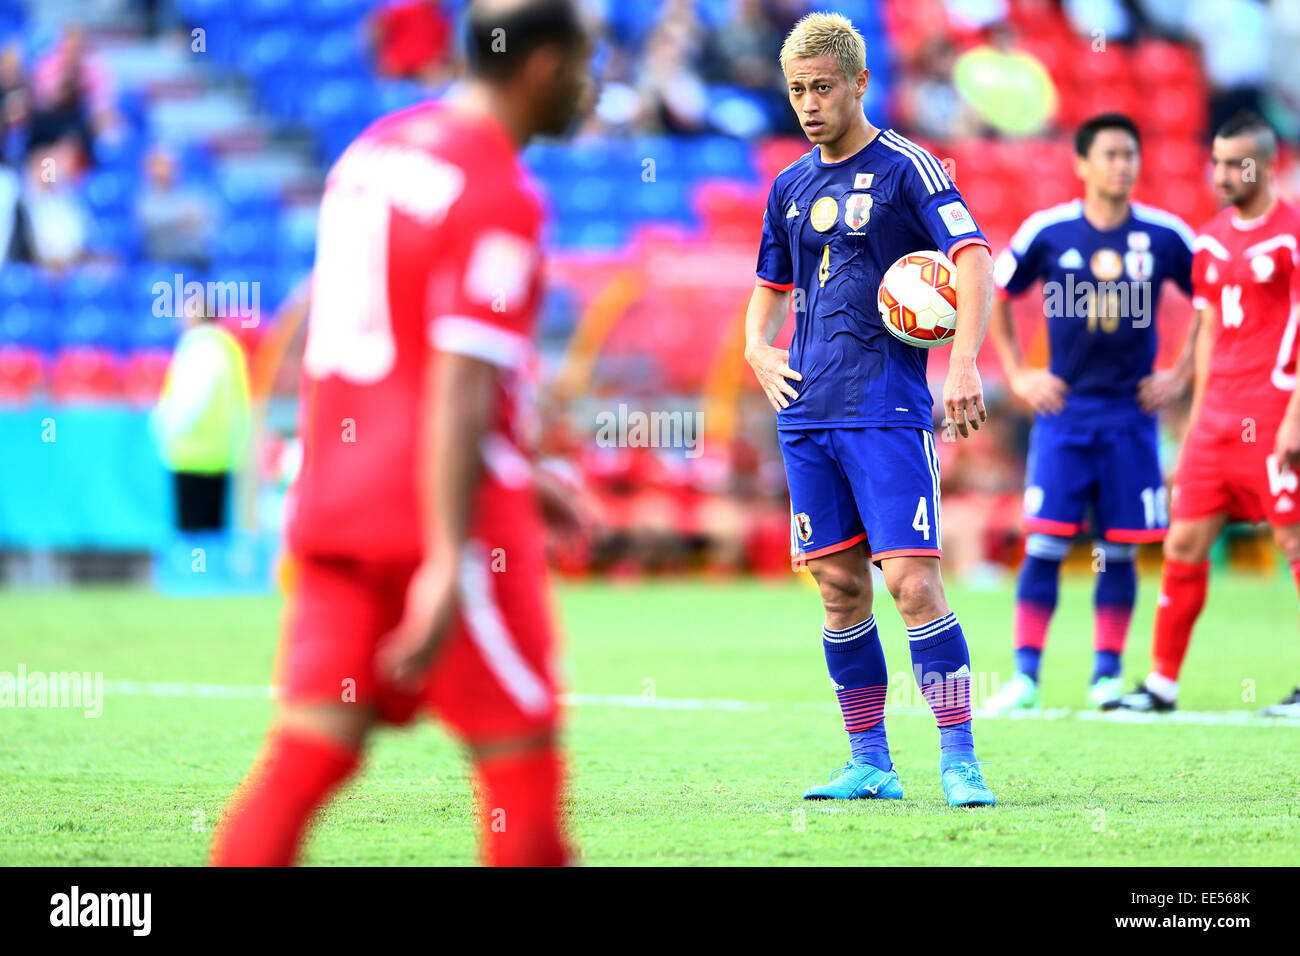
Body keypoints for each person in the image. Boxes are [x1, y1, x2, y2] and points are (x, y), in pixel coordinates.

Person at [210, 0, 593, 867]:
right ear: (542, 67)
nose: (590, 84)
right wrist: (445, 551)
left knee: (307, 757)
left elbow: (389, 359)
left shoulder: (370, 157)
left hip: (338, 503)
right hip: (442, 517)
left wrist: (518, 470)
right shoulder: (497, 191)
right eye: (583, 64)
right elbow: (458, 382)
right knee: (521, 769)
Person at [744, 12, 997, 807]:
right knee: (838, 588)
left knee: (913, 584)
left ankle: (959, 759)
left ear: (859, 82)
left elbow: (974, 256)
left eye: (823, 87)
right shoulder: (788, 187)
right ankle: (870, 762)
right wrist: (757, 347)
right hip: (807, 412)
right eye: (797, 91)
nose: (810, 104)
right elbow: (767, 288)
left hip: (885, 408)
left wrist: (962, 361)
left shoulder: (908, 169)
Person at [984, 113, 1197, 713]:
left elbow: (1213, 293)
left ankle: (1106, 674)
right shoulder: (1047, 233)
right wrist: (1020, 373)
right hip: (1065, 414)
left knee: (1120, 547)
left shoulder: (1163, 236)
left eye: (1130, 154)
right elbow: (997, 295)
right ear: (1081, 163)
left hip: (1131, 416)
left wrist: (1178, 374)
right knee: (1045, 544)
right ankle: (1025, 676)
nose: (1122, 165)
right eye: (1109, 154)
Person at [1108, 112, 1300, 716]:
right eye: (1214, 162)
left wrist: (1296, 416)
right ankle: (1162, 683)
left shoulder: (1292, 236)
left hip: (1276, 407)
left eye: (1233, 163)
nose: (1220, 174)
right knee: (1185, 540)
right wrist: (1193, 420)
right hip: (1217, 415)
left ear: (1265, 164)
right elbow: (1209, 327)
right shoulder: (1211, 240)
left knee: (1292, 539)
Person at [153, 291, 251, 531]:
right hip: (221, 455)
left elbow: (190, 403)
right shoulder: (227, 349)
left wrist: (166, 430)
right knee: (213, 531)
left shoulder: (200, 350)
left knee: (194, 533)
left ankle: (196, 569)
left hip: (192, 455)